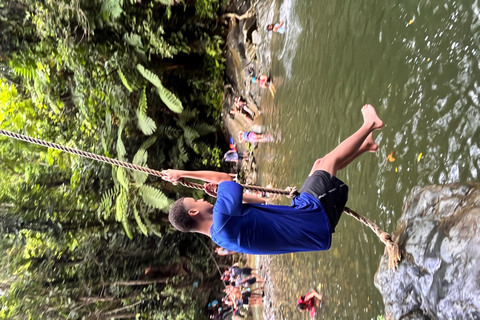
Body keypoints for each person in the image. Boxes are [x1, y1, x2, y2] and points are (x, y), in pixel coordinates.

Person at [164, 104, 383, 255]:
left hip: (304, 220)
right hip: (312, 221)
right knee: (329, 161)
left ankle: (366, 146)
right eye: (197, 202)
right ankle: (370, 125)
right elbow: (224, 177)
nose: (203, 200)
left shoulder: (220, 236)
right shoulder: (221, 220)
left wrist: (226, 193)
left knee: (319, 165)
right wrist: (182, 174)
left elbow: (261, 202)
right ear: (193, 212)